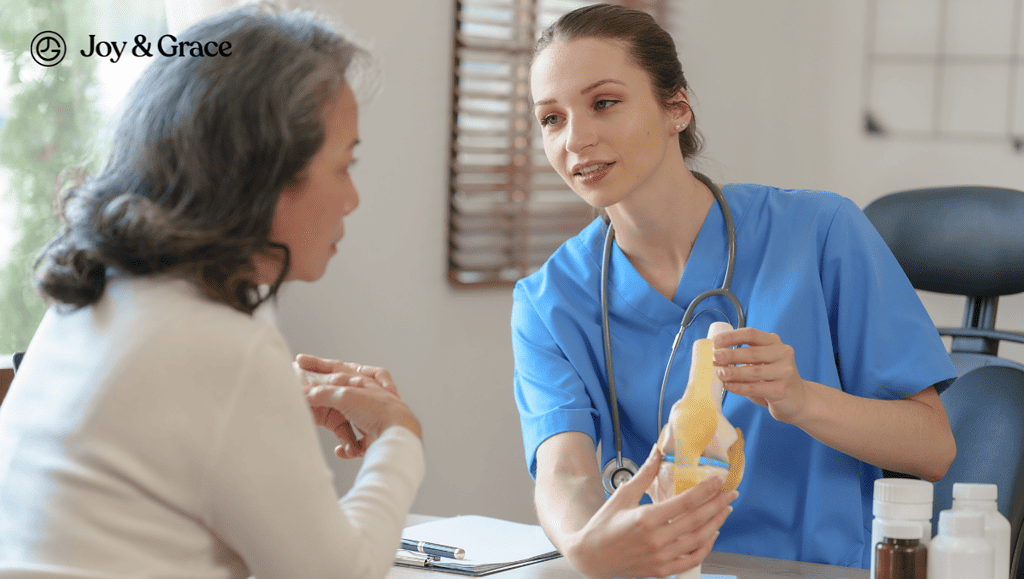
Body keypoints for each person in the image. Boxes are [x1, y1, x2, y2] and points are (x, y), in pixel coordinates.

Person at [511, 3, 957, 575]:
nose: (575, 139)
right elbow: (564, 470)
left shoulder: (819, 233)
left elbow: (933, 448)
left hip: (823, 568)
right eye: (551, 119)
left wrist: (801, 399)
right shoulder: (551, 299)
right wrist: (585, 544)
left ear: (677, 107)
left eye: (604, 103)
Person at [0, 7, 422, 578]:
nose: (352, 199)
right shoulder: (222, 344)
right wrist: (399, 440)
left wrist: (272, 397)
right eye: (343, 166)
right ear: (266, 174)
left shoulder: (92, 298)